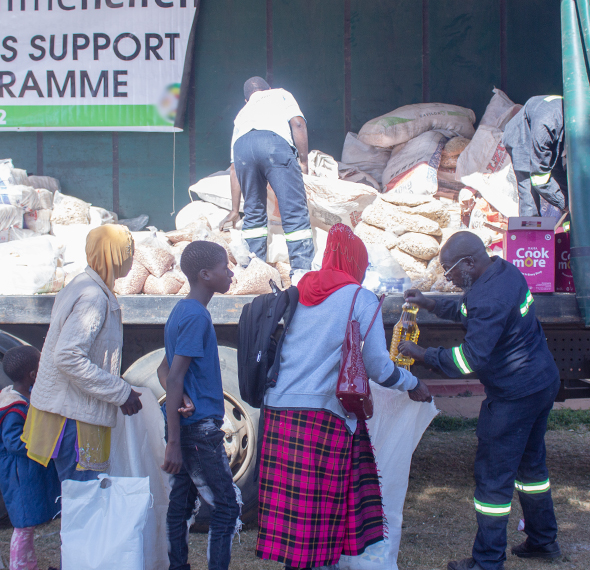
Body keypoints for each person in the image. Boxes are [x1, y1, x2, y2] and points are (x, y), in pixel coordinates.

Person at [256, 223, 432, 570]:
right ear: (355, 263)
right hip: (322, 416)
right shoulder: (359, 298)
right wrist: (412, 383)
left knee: (295, 514)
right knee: (322, 508)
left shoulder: (299, 290)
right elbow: (378, 366)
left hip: (278, 411)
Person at [399, 231, 561, 570]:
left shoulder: (488, 298)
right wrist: (428, 302)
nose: (448, 278)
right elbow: (467, 308)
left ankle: (487, 561)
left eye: (449, 270)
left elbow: (469, 360)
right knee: (531, 467)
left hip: (514, 395)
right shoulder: (504, 271)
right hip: (541, 381)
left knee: (493, 477)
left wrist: (421, 354)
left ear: (469, 263)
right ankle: (542, 540)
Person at [22, 224, 143, 482]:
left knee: (75, 502)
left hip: (67, 410)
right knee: (83, 502)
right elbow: (68, 356)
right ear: (114, 255)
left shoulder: (80, 283)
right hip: (73, 419)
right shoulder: (94, 297)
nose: (132, 257)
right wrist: (121, 392)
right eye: (128, 251)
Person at [160, 241, 240, 570]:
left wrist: (183, 395)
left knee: (182, 503)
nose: (231, 273)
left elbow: (163, 370)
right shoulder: (196, 317)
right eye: (225, 267)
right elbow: (174, 376)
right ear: (205, 275)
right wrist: (174, 444)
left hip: (190, 428)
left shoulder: (183, 309)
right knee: (227, 507)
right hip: (199, 432)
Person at [219, 76, 314, 273]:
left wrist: (235, 210)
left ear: (247, 100)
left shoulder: (241, 114)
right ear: (268, 89)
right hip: (273, 145)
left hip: (242, 148)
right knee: (293, 210)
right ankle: (301, 273)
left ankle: (255, 272)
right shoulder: (280, 94)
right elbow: (297, 123)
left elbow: (235, 168)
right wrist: (303, 161)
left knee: (253, 214)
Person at [0, 346, 60, 570]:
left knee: (28, 522)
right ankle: (21, 566)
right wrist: (45, 441)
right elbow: (14, 442)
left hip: (27, 471)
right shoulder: (13, 407)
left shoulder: (26, 396)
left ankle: (28, 564)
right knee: (23, 525)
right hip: (18, 473)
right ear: (34, 375)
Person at [502, 95, 567, 216]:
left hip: (547, 129)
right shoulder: (544, 130)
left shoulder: (575, 116)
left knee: (562, 180)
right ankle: (530, 232)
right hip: (521, 135)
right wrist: (565, 204)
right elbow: (539, 177)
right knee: (529, 192)